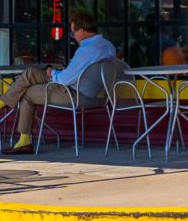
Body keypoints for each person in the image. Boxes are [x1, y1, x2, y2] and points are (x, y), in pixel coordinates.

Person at [11, 11, 117, 150]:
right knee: (32, 74)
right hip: (101, 96)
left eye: (73, 33)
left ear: (82, 31)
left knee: (27, 92)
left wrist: (54, 73)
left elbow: (65, 80)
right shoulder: (108, 45)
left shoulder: (86, 50)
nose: (73, 37)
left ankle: (24, 141)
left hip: (76, 95)